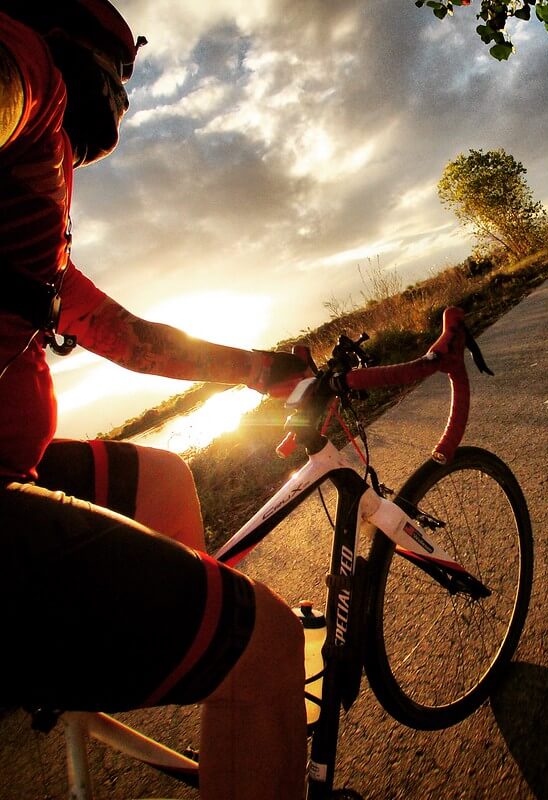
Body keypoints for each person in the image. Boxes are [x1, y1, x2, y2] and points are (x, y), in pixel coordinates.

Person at [0, 1, 308, 797]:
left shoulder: (30, 232)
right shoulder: (29, 64)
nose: (123, 108)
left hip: (14, 462)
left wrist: (258, 368)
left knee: (168, 477)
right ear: (86, 55)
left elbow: (129, 336)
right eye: (122, 83)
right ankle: (236, 671)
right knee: (269, 646)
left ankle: (144, 651)